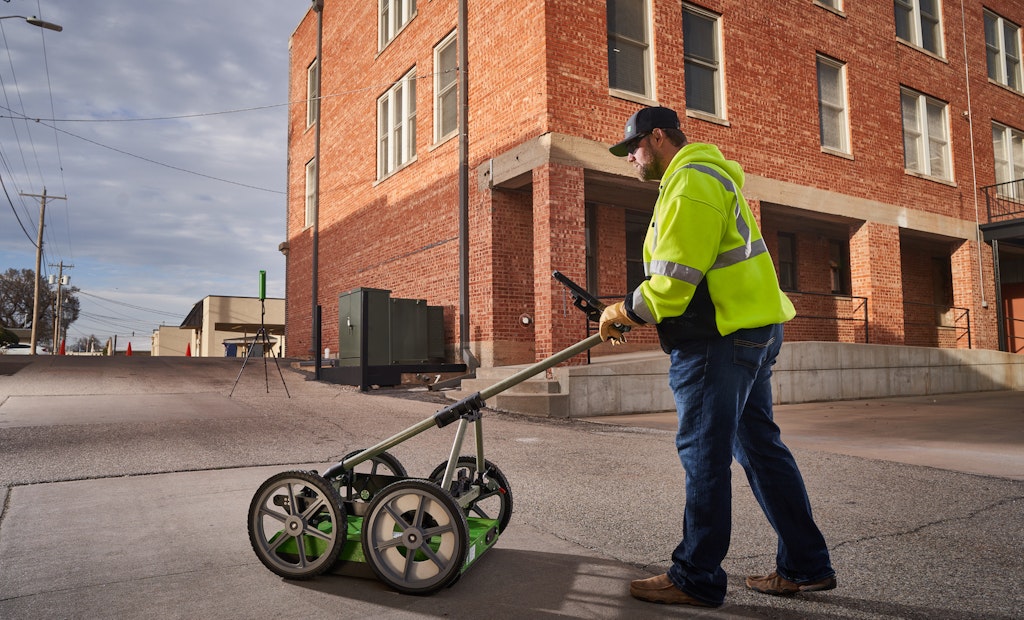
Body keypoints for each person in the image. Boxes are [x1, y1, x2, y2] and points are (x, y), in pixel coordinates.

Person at [601, 106, 835, 608]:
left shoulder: (689, 183)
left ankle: (695, 577)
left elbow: (674, 282)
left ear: (658, 138)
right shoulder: (709, 179)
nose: (631, 159)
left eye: (634, 148)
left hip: (718, 338)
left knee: (705, 454)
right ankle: (806, 566)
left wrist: (623, 310)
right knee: (759, 449)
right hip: (748, 330)